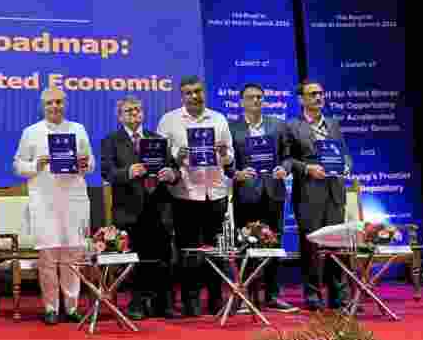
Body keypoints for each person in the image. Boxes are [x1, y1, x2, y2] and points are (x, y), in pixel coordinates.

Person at [13, 87, 94, 325]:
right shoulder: (31, 132)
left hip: (73, 198)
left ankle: (71, 307)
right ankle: (50, 307)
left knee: (73, 253)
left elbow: (91, 164)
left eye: (59, 102)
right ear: (43, 106)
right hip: (44, 200)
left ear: (65, 104)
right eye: (50, 103)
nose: (55, 107)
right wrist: (36, 165)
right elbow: (18, 165)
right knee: (48, 256)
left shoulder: (78, 129)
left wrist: (84, 163)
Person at [157, 75, 235, 317]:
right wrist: (176, 157)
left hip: (216, 192)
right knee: (188, 251)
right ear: (182, 96)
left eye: (198, 91)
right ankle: (191, 301)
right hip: (185, 193)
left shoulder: (219, 118)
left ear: (204, 93)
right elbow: (159, 157)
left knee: (215, 250)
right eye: (189, 92)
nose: (194, 96)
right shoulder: (169, 120)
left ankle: (215, 299)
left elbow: (230, 157)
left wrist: (224, 154)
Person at [100, 95, 180, 320]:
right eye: (128, 111)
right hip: (129, 210)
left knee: (163, 258)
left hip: (159, 207)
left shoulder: (157, 139)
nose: (134, 114)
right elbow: (106, 171)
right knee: (135, 259)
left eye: (137, 110)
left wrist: (172, 174)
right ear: (120, 116)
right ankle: (136, 303)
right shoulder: (111, 140)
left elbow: (176, 172)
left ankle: (164, 304)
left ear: (143, 113)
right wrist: (127, 172)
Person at [228, 84, 296, 312]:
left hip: (273, 192)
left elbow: (288, 156)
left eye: (259, 97)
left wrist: (284, 169)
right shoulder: (231, 128)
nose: (256, 101)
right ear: (242, 101)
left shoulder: (277, 125)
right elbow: (228, 163)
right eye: (250, 97)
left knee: (274, 246)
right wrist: (235, 173)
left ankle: (272, 295)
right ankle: (244, 295)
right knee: (245, 246)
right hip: (246, 193)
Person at [285, 80, 351, 311]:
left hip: (335, 190)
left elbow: (344, 154)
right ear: (301, 99)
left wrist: (346, 167)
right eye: (313, 94)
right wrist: (307, 169)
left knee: (337, 244)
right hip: (309, 191)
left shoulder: (333, 124)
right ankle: (313, 295)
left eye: (321, 93)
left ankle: (339, 296)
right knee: (311, 246)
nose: (318, 97)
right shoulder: (292, 126)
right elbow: (288, 160)